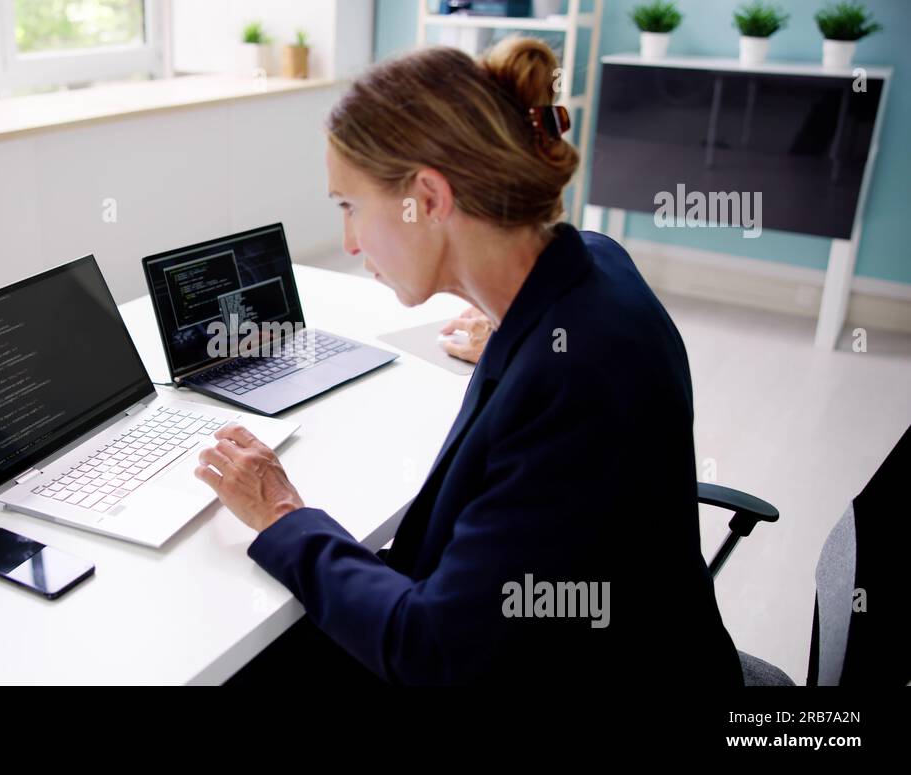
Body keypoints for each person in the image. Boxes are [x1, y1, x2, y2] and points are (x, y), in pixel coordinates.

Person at [197, 37, 744, 686]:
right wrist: (514, 337)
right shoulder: (588, 268)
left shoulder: (573, 379)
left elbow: (435, 653)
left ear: (427, 198)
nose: (347, 241)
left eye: (350, 206)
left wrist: (281, 512)